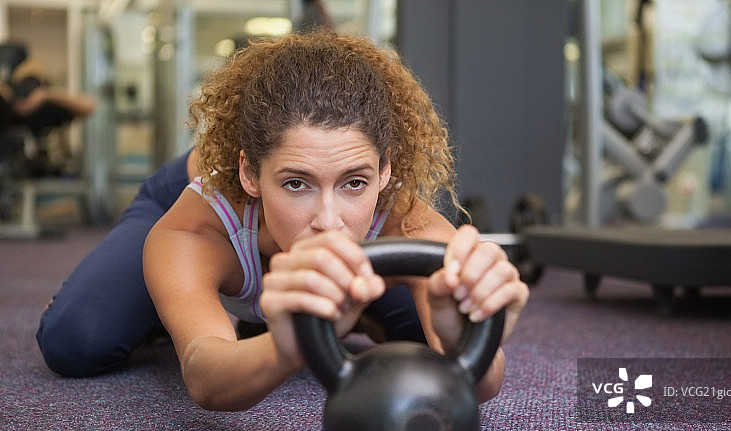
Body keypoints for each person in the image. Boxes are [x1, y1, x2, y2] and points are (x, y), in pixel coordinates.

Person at [37, 31, 529, 410]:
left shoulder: (408, 224)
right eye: (297, 184)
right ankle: (187, 305)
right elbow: (205, 377)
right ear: (251, 173)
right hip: (195, 196)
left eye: (354, 182)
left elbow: (482, 383)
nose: (329, 221)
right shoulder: (200, 226)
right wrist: (286, 349)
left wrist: (468, 334)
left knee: (426, 341)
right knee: (78, 340)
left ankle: (360, 310)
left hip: (350, 228)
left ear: (386, 171)